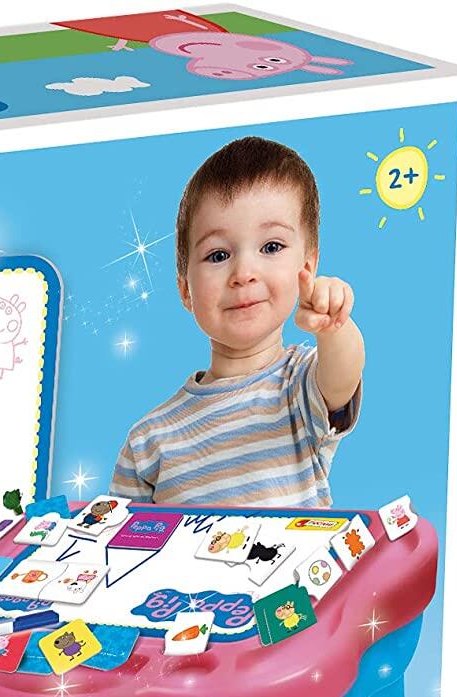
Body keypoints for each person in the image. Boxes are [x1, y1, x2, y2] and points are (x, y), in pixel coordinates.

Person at [111, 136, 363, 506]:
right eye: (218, 255)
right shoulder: (148, 441)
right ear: (185, 290)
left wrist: (333, 328)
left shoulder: (299, 387)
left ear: (307, 268)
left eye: (271, 247)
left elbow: (343, 376)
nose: (243, 273)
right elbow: (118, 535)